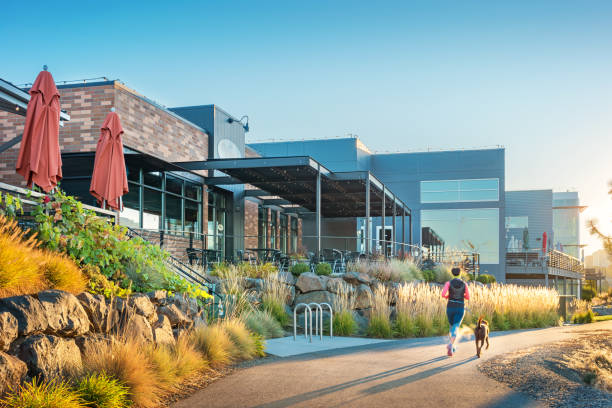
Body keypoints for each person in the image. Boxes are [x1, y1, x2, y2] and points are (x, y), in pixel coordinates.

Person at [441, 267, 470, 356]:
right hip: (460, 307)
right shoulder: (464, 284)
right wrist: (462, 296)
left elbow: (443, 294)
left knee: (451, 327)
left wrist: (448, 297)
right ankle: (451, 345)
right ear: (460, 274)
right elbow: (468, 297)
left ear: (452, 274)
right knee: (456, 327)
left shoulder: (448, 283)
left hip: (450, 307)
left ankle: (452, 347)